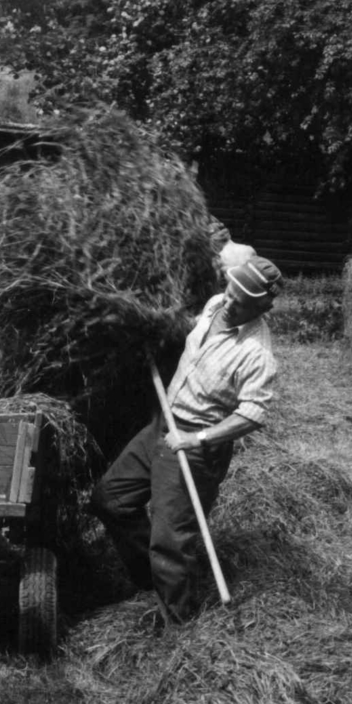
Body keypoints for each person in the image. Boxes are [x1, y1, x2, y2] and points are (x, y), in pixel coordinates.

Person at [90, 256, 282, 625]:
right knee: (110, 500)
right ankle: (150, 580)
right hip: (160, 424)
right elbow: (190, 333)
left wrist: (196, 439)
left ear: (263, 306)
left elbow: (253, 414)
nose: (228, 303)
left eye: (240, 301)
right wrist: (158, 339)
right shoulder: (215, 306)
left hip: (194, 448)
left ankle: (179, 623)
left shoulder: (255, 354)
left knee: (171, 541)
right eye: (229, 292)